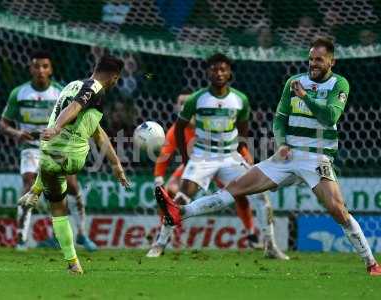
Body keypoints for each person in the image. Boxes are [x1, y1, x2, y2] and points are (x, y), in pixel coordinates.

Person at [155, 38, 381, 276]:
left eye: (319, 60)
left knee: (337, 209)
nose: (313, 64)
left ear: (331, 61)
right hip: (288, 156)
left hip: (316, 158)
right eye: (310, 59)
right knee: (236, 187)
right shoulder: (293, 82)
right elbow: (280, 119)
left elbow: (329, 117)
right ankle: (181, 212)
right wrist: (282, 143)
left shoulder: (339, 84)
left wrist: (305, 96)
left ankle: (371, 263)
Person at [151, 53, 288, 259]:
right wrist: (188, 159)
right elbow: (179, 129)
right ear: (208, 72)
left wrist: (243, 153)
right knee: (181, 197)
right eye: (215, 69)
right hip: (202, 156)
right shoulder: (197, 99)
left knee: (261, 195)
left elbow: (243, 131)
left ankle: (270, 246)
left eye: (223, 69)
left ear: (230, 72)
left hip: (230, 157)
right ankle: (159, 244)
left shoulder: (240, 100)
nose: (219, 73)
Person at [19, 55, 130, 274]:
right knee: (61, 196)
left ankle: (72, 260)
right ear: (114, 78)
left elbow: (97, 131)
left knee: (58, 210)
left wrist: (116, 164)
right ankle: (74, 265)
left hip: (48, 155)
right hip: (72, 157)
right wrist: (58, 127)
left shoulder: (71, 85)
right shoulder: (95, 88)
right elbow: (76, 107)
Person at [0, 51, 97, 251]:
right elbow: (3, 124)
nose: (41, 70)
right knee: (28, 182)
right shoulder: (19, 93)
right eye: (36, 66)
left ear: (51, 69)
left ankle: (81, 234)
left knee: (72, 185)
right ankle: (21, 239)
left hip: (57, 147)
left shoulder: (61, 92)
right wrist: (17, 133)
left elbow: (74, 118)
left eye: (45, 66)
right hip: (31, 148)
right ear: (31, 69)